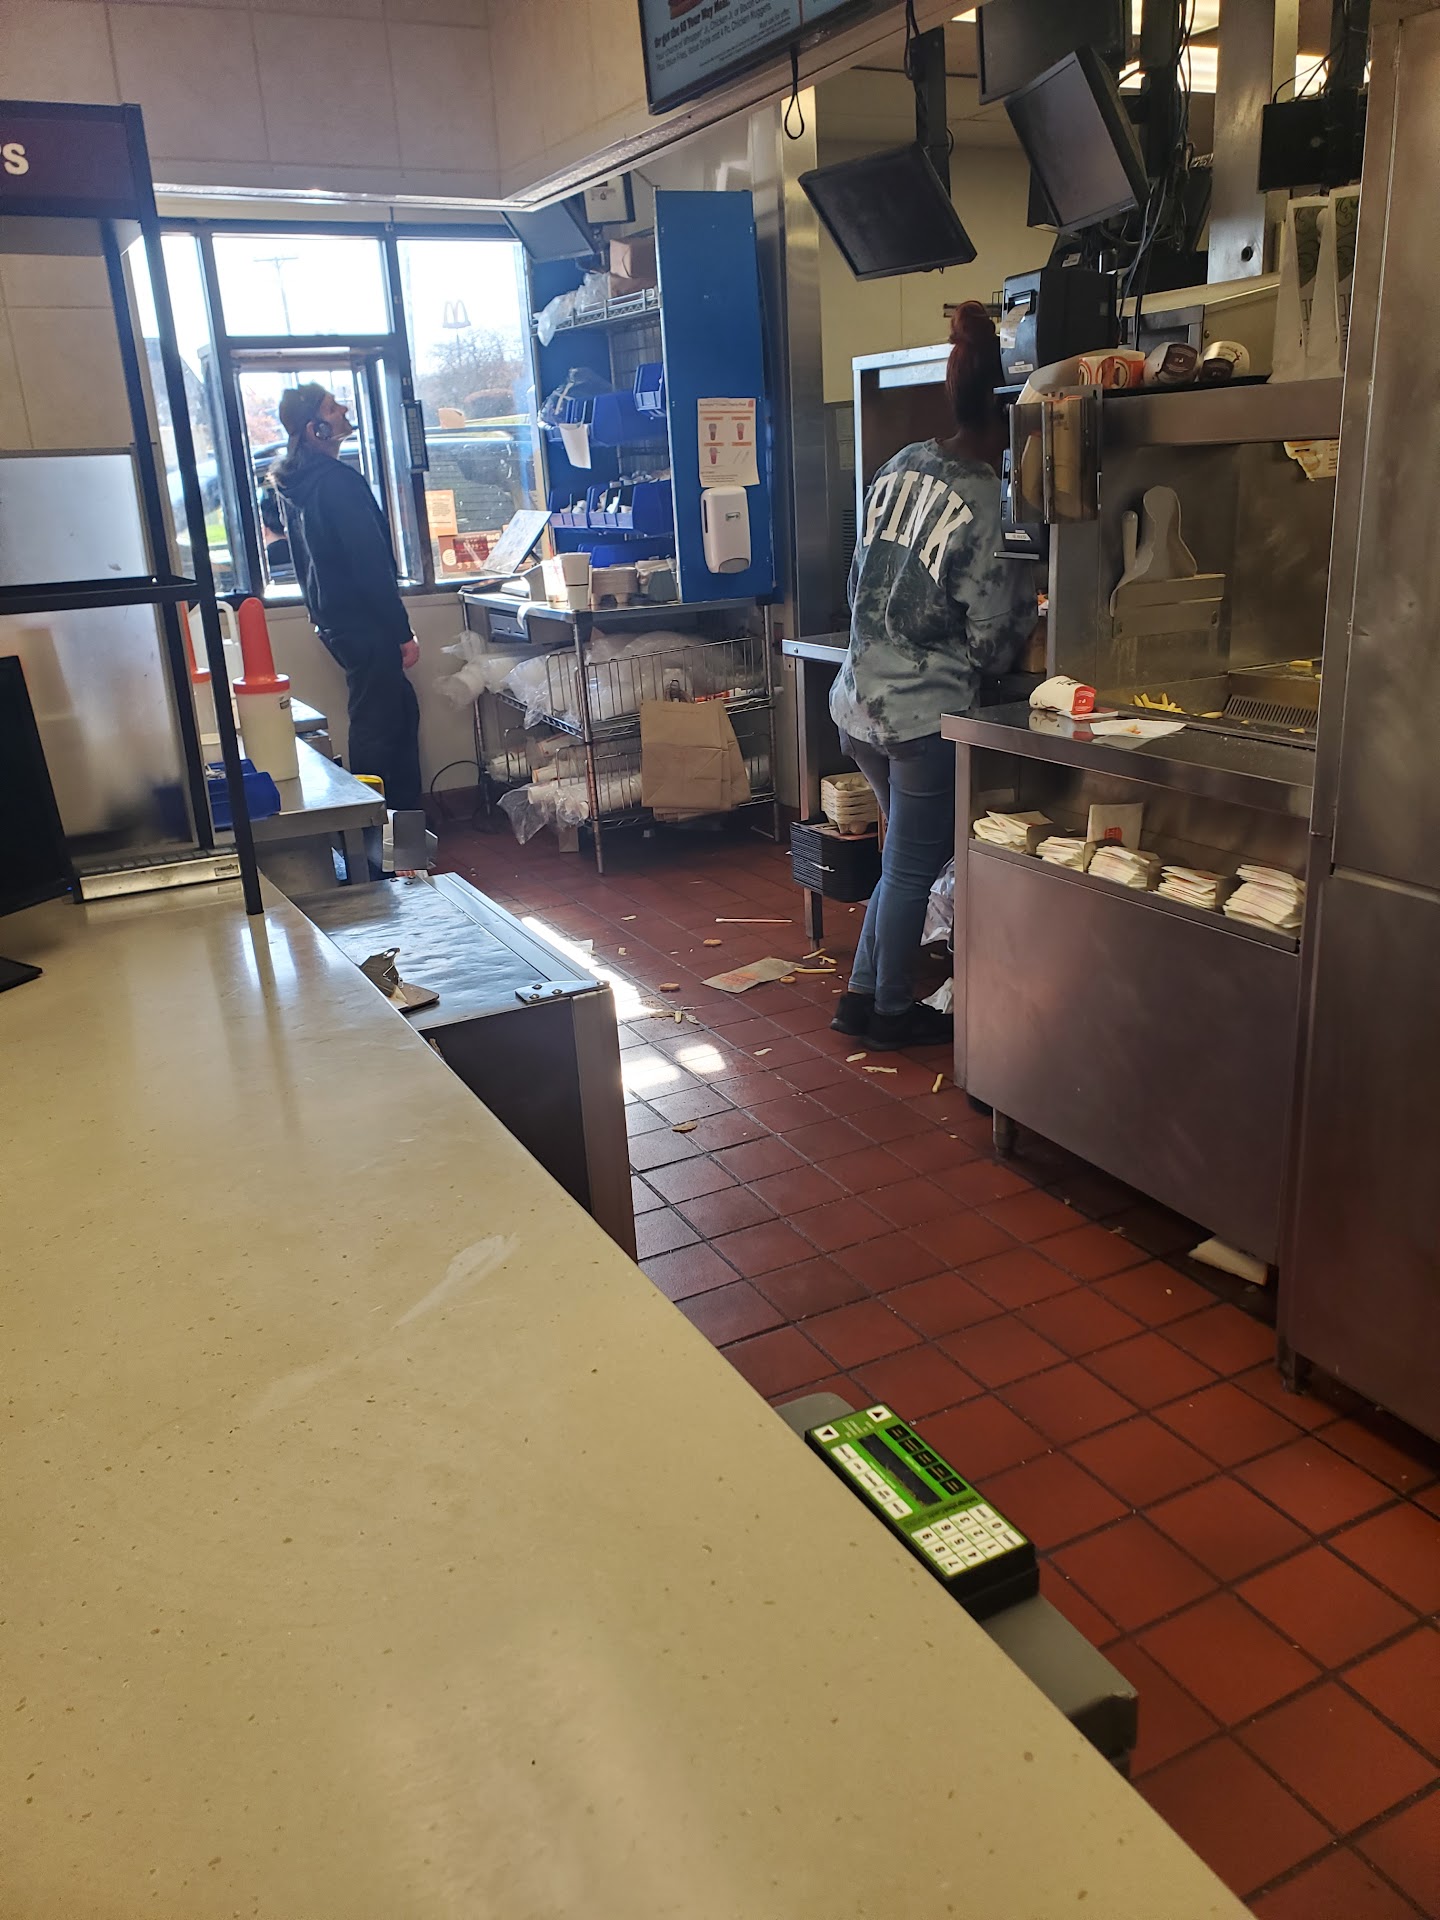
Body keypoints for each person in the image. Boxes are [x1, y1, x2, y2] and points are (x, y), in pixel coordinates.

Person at [829, 302, 1039, 1051]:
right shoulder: (987, 502)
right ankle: (890, 1013)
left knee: (899, 860)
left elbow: (858, 576)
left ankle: (860, 997)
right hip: (922, 717)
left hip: (858, 700)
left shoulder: (900, 464)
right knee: (912, 866)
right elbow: (991, 640)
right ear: (1009, 418)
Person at [269, 384, 422, 811]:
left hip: (336, 622)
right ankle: (380, 824)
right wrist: (401, 631)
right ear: (315, 428)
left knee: (398, 711)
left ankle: (400, 820)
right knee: (378, 726)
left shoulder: (299, 484)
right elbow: (369, 563)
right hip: (366, 622)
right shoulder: (338, 482)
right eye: (332, 408)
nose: (343, 411)